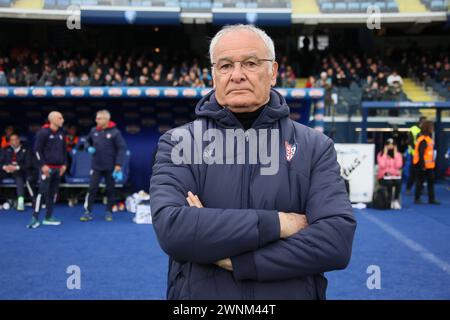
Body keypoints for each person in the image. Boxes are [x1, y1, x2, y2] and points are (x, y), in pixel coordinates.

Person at [150, 24, 356, 300]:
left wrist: (238, 262)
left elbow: (335, 242)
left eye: (250, 63)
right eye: (225, 66)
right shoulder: (177, 143)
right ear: (213, 75)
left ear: (273, 72)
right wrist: (280, 224)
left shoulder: (315, 147)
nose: (237, 75)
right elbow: (174, 229)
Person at [80, 110, 127, 222]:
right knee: (92, 188)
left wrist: (118, 164)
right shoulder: (93, 130)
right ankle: (88, 212)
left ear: (106, 120)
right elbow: (86, 142)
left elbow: (121, 148)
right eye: (96, 118)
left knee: (110, 190)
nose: (96, 120)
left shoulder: (115, 132)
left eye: (99, 118)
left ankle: (109, 212)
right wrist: (88, 147)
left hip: (111, 167)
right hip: (96, 166)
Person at [28, 111, 67, 229]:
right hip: (47, 169)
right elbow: (37, 151)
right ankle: (34, 218)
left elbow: (64, 151)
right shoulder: (43, 132)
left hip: (58, 169)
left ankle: (48, 217)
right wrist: (43, 165)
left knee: (52, 193)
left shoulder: (61, 132)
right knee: (42, 192)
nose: (62, 120)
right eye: (60, 118)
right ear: (53, 119)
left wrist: (64, 165)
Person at [0, 133, 34, 211]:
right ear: (10, 142)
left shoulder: (26, 150)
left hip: (19, 170)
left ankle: (20, 201)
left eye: (15, 139)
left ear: (19, 140)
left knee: (19, 177)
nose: (14, 141)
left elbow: (29, 164)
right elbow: (1, 162)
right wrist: (5, 167)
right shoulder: (5, 149)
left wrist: (16, 167)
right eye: (12, 140)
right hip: (6, 170)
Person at [413, 120, 440, 205]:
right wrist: (422, 166)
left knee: (430, 182)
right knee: (420, 182)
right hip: (422, 165)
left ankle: (431, 199)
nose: (433, 128)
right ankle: (417, 198)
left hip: (429, 165)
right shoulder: (423, 139)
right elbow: (421, 153)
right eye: (431, 127)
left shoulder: (428, 139)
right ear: (428, 128)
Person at [376, 138, 403, 209]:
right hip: (383, 177)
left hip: (394, 177)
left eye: (392, 145)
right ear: (385, 146)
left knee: (398, 182)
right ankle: (389, 200)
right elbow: (382, 165)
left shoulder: (398, 155)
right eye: (388, 145)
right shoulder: (380, 154)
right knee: (389, 182)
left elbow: (398, 166)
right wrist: (385, 154)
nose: (390, 146)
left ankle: (396, 200)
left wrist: (395, 154)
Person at [406, 116, 426, 195]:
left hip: (423, 156)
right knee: (413, 172)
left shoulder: (426, 130)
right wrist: (418, 148)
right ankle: (408, 188)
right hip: (414, 155)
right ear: (420, 122)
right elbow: (410, 142)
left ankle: (421, 189)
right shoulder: (413, 129)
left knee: (422, 173)